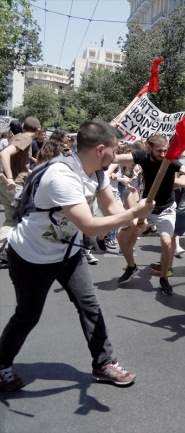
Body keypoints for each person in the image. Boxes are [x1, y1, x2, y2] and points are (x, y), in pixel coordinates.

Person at [0, 120, 154, 391]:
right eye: (115, 150)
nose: (117, 156)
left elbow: (110, 206)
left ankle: (103, 362)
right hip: (31, 256)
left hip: (68, 253)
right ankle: (1, 365)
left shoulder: (97, 173)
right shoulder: (61, 176)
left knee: (90, 306)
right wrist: (132, 214)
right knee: (27, 315)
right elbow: (89, 226)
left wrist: (130, 221)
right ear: (100, 149)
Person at [113, 135, 185, 294]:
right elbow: (118, 158)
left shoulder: (171, 161)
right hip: (146, 206)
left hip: (166, 209)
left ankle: (164, 278)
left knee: (167, 243)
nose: (163, 154)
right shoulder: (142, 156)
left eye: (165, 150)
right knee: (123, 238)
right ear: (149, 148)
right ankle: (131, 267)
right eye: (159, 151)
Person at [0, 117, 41, 268]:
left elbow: (19, 163)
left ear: (23, 126)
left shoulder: (18, 136)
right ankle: (29, 253)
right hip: (13, 184)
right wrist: (10, 178)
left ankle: (5, 252)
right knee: (29, 215)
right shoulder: (24, 138)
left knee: (11, 219)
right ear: (38, 130)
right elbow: (4, 154)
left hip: (7, 183)